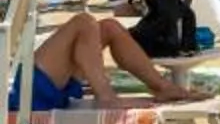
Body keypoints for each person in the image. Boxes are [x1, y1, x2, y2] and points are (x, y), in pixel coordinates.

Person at [9, 8, 207, 111]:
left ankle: (163, 87)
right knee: (83, 22)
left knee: (109, 27)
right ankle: (106, 97)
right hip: (25, 94)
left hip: (39, 86)